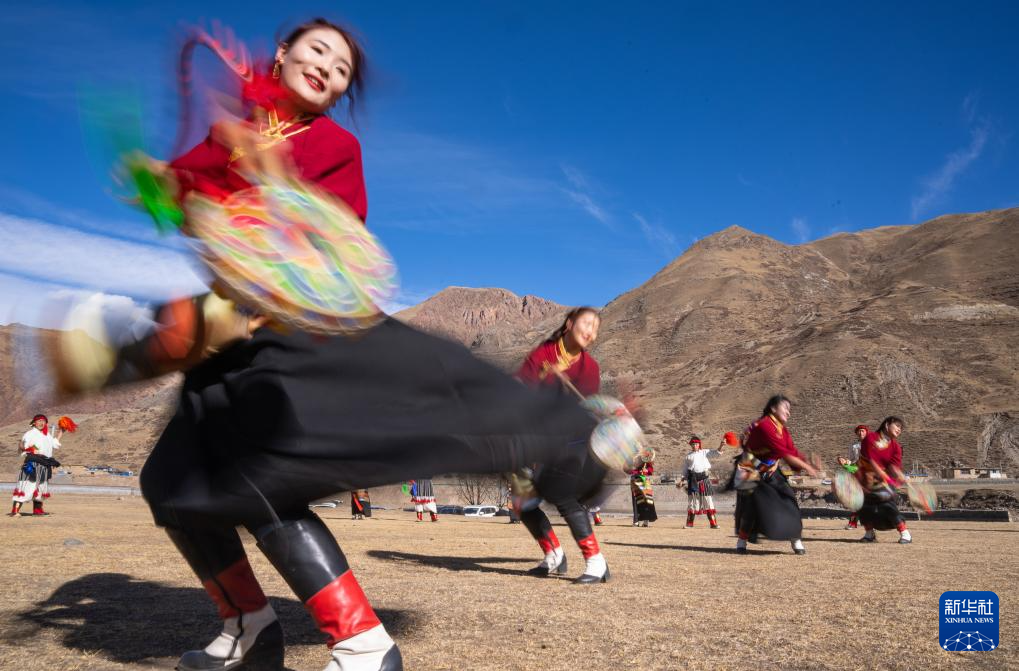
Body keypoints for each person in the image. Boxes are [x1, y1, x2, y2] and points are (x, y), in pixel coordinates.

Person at [55, 18, 603, 671]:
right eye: (318, 51)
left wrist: (278, 191)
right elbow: (188, 192)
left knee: (257, 479)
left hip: (293, 340)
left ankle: (360, 643)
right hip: (227, 339)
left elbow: (337, 251)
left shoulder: (335, 145)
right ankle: (251, 626)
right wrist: (154, 182)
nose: (329, 69)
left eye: (341, 69)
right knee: (172, 481)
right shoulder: (231, 130)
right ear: (282, 54)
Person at [515, 308, 611, 584]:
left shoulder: (590, 368)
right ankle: (554, 555)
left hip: (571, 440)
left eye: (596, 328)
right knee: (523, 501)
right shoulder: (542, 354)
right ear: (569, 324)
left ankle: (596, 562)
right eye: (587, 323)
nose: (591, 331)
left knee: (563, 495)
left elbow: (583, 410)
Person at [734, 395, 819, 555]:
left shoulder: (782, 429)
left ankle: (795, 538)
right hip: (750, 468)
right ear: (773, 408)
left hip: (771, 468)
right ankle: (742, 540)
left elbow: (791, 450)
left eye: (789, 409)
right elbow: (783, 452)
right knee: (751, 508)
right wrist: (807, 466)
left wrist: (806, 462)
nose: (789, 413)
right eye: (785, 408)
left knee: (789, 499)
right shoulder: (764, 425)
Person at [856, 417, 912, 544]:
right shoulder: (870, 438)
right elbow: (870, 459)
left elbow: (894, 467)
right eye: (897, 425)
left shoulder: (896, 447)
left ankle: (905, 533)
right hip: (866, 479)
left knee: (887, 504)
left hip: (884, 482)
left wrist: (900, 475)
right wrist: (880, 472)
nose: (899, 429)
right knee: (863, 507)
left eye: (901, 428)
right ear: (887, 425)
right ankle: (869, 534)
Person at [9, 415, 64, 517]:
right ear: (34, 423)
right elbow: (23, 445)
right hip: (32, 463)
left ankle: (37, 511)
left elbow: (54, 444)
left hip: (44, 464)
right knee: (27, 486)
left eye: (43, 421)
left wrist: (61, 431)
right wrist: (31, 449)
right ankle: (15, 510)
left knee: (41, 488)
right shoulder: (29, 434)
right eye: (39, 421)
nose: (41, 423)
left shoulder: (47, 435)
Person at [678, 437, 720, 528]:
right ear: (691, 445)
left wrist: (721, 445)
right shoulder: (688, 456)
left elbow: (716, 453)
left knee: (708, 501)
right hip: (692, 481)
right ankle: (689, 524)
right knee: (692, 502)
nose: (694, 446)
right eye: (693, 444)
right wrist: (681, 480)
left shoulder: (704, 452)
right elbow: (685, 471)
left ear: (699, 444)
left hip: (704, 480)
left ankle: (713, 524)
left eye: (696, 444)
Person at [839, 424, 868, 529]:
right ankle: (853, 522)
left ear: (866, 432)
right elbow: (851, 459)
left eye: (863, 431)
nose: (861, 433)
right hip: (857, 470)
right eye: (859, 431)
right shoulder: (853, 446)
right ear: (856, 433)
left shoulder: (872, 444)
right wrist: (846, 462)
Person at [628, 453, 657, 527]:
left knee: (646, 501)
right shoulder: (633, 460)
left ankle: (646, 521)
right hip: (635, 481)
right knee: (636, 500)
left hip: (644, 482)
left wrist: (645, 471)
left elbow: (650, 471)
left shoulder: (648, 464)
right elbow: (629, 470)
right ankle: (636, 521)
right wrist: (636, 471)